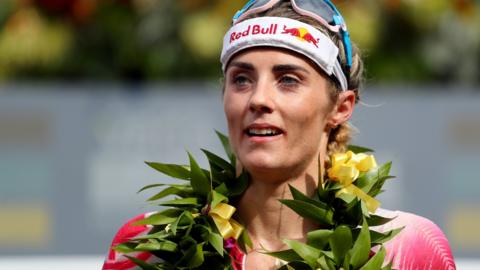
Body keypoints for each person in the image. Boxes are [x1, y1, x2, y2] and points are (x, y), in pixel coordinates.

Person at [103, 1, 456, 269]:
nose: (258, 99)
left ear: (341, 107)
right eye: (241, 79)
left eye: (288, 80)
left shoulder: (407, 248)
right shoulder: (149, 245)